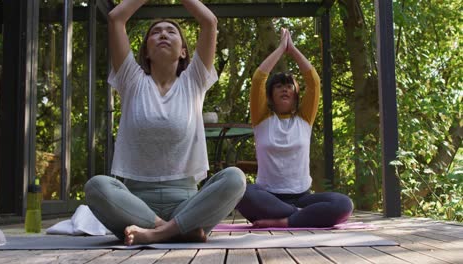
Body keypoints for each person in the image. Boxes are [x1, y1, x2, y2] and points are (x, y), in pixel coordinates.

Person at [84, 0, 246, 245]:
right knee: (96, 187)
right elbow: (116, 18)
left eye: (171, 32)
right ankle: (177, 230)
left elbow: (209, 22)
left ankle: (157, 234)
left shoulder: (194, 81)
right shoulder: (131, 80)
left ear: (183, 51)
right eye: (155, 32)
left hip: (188, 203)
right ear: (146, 52)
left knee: (235, 179)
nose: (163, 34)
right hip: (136, 205)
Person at [236, 28, 353, 228]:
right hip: (268, 198)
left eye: (289, 85)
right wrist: (281, 49)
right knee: (241, 192)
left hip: (301, 198)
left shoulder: (304, 119)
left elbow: (313, 82)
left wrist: (293, 49)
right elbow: (258, 80)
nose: (284, 88)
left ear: (296, 95)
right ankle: (304, 217)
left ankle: (286, 221)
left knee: (343, 204)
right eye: (279, 86)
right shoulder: (262, 119)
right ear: (270, 95)